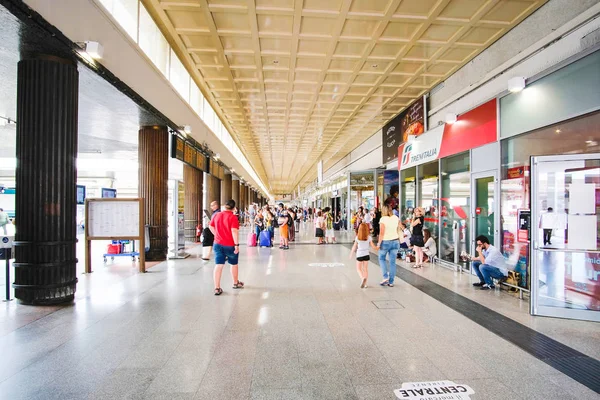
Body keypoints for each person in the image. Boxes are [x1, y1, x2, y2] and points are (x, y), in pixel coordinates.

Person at [209, 199, 243, 296]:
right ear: (234, 208)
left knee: (219, 265)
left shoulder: (217, 215)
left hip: (218, 244)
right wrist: (236, 245)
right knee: (233, 264)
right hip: (230, 245)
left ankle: (217, 288)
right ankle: (235, 283)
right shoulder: (233, 217)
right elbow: (234, 231)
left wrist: (217, 235)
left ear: (224, 206)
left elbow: (211, 226)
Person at [376, 204, 400, 287]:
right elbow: (399, 229)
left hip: (385, 242)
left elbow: (381, 233)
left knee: (381, 258)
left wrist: (379, 243)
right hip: (395, 241)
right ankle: (391, 281)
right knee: (392, 262)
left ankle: (385, 276)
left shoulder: (383, 219)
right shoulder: (396, 218)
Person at [350, 223, 377, 289]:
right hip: (366, 255)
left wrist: (351, 254)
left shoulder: (357, 237)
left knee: (358, 269)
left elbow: (354, 247)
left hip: (359, 255)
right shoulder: (369, 237)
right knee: (365, 269)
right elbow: (373, 247)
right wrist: (378, 247)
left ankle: (362, 279)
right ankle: (365, 284)